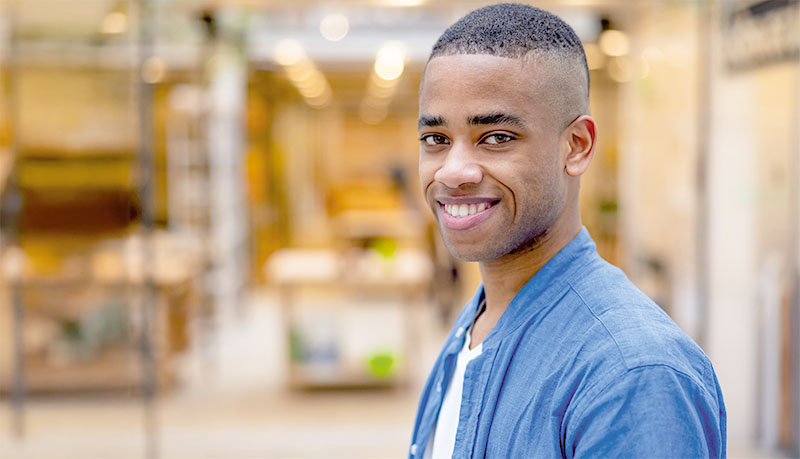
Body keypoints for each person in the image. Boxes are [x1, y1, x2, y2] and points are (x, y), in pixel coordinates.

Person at [409, 4, 726, 458]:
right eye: (436, 140)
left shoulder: (631, 374)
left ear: (575, 146)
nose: (454, 171)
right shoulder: (475, 327)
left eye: (497, 137)